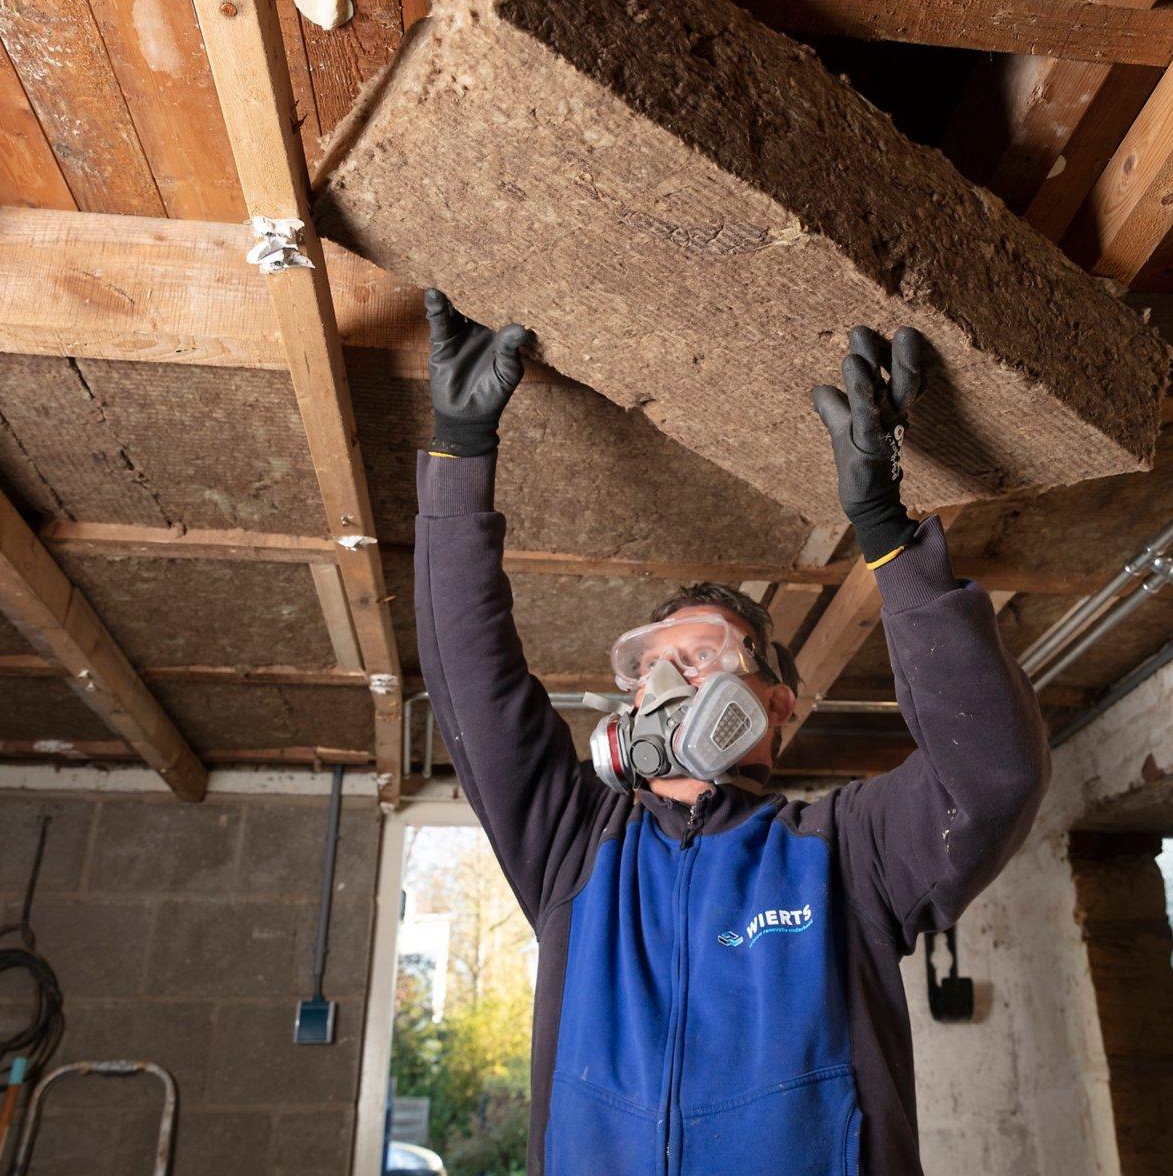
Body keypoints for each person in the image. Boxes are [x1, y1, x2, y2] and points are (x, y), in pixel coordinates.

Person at [413, 289, 1051, 1176]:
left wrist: (888, 538)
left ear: (776, 703)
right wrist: (457, 454)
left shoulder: (847, 854)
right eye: (649, 667)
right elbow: (469, 682)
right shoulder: (573, 850)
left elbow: (993, 773)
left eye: (707, 656)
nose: (669, 683)